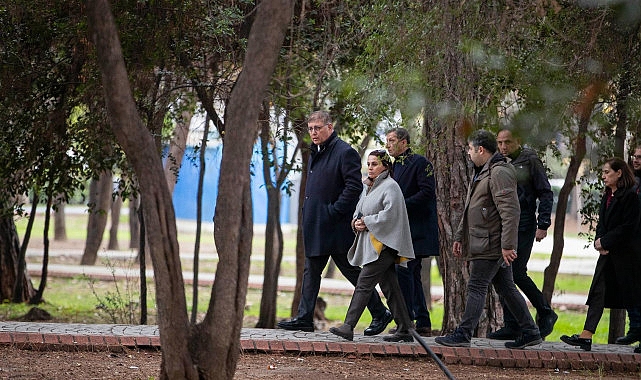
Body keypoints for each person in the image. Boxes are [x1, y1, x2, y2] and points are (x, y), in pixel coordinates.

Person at [277, 111, 392, 335]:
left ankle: (380, 313)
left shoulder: (344, 152)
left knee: (351, 271)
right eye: (310, 129)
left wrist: (333, 211)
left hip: (335, 228)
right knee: (311, 271)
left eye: (318, 128)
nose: (313, 133)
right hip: (317, 225)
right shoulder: (316, 152)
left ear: (330, 127)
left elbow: (353, 187)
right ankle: (304, 318)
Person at [434, 130, 542, 349]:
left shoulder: (499, 172)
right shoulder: (484, 171)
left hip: (491, 242)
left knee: (476, 286)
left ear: (480, 149)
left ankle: (464, 334)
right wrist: (459, 237)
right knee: (505, 287)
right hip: (485, 240)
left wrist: (508, 245)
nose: (468, 153)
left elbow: (510, 212)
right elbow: (471, 209)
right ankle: (530, 331)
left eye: (470, 148)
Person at [329, 150, 416, 342]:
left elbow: (390, 215)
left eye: (374, 164)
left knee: (364, 283)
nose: (370, 167)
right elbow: (359, 211)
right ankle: (406, 328)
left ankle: (348, 326)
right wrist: (356, 223)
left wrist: (367, 221)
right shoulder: (369, 187)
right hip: (373, 244)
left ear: (385, 166)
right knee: (391, 287)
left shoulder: (390, 187)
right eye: (368, 163)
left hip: (385, 245)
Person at [561, 158, 641, 352]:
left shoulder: (629, 196)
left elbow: (628, 227)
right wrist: (599, 241)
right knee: (597, 292)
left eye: (607, 172)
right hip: (608, 255)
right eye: (603, 173)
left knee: (634, 296)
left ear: (619, 173)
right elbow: (602, 224)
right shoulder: (608, 195)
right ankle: (586, 335)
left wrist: (605, 241)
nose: (604, 176)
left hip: (626, 256)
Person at [489, 129, 557, 340]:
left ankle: (545, 311)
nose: (503, 146)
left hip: (525, 224)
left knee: (517, 273)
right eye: (499, 142)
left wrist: (543, 223)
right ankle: (512, 325)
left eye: (507, 142)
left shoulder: (530, 160)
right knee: (503, 274)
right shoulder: (498, 161)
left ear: (518, 140)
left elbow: (545, 192)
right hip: (504, 225)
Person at [385, 128, 439, 337]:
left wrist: (400, 205)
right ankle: (422, 321)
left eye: (392, 140)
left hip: (417, 230)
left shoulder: (420, 162)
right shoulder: (393, 166)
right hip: (401, 230)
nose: (388, 145)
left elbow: (426, 193)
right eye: (387, 141)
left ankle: (407, 322)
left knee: (405, 272)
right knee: (411, 274)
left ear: (404, 142)